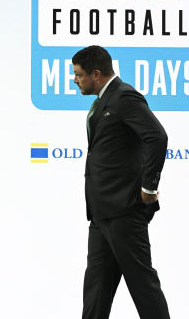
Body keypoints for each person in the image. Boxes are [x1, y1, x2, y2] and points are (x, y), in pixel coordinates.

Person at [72, 45, 170, 319]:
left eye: (79, 75)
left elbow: (157, 137)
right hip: (102, 214)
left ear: (97, 73)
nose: (75, 80)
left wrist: (149, 187)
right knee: (95, 293)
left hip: (125, 212)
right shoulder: (103, 100)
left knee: (143, 287)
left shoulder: (124, 96)